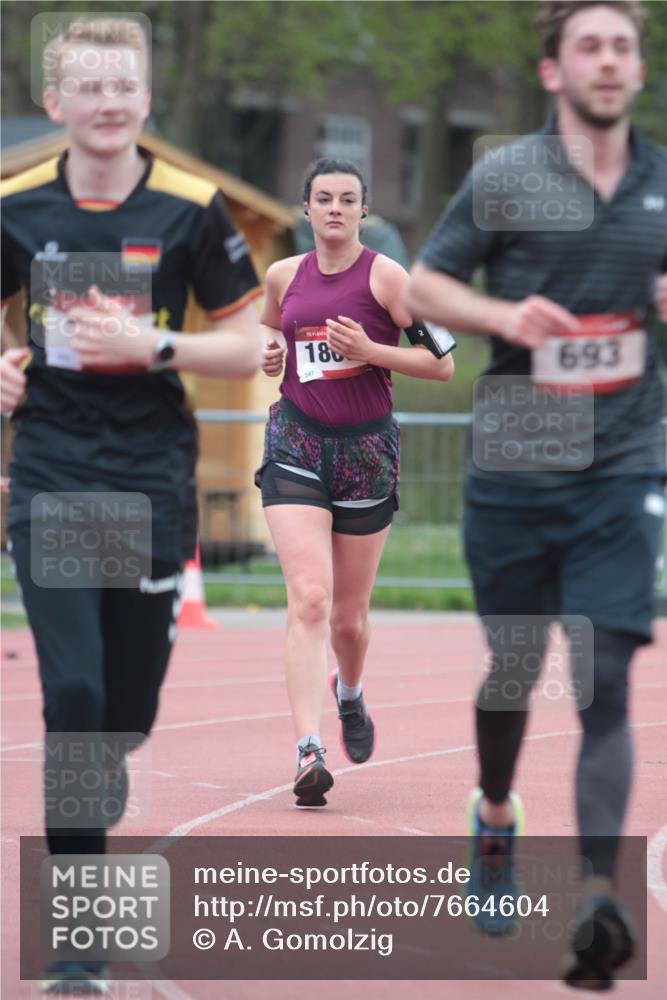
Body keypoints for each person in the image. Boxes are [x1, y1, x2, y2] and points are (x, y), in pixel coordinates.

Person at [408, 0, 666, 989]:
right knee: (511, 671)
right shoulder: (508, 175)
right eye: (588, 46)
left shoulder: (658, 184)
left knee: (603, 673)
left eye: (622, 46)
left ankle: (598, 896)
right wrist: (503, 312)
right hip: (516, 461)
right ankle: (496, 810)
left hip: (619, 462)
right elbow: (425, 289)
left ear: (637, 69)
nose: (608, 61)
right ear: (554, 72)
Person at [0, 16, 261, 993]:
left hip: (152, 478)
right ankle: (78, 947)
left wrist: (156, 348)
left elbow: (251, 345)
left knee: (124, 711)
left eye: (126, 86)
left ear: (146, 101)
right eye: (90, 86)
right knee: (71, 701)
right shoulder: (14, 208)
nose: (110, 102)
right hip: (56, 474)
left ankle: (111, 751)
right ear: (56, 103)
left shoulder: (195, 209)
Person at [256, 157, 455, 807]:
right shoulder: (282, 276)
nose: (335, 208)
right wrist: (268, 353)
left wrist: (371, 353)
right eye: (323, 198)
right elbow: (269, 334)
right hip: (295, 443)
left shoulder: (389, 278)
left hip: (365, 451)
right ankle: (307, 750)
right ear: (305, 209)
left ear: (362, 211)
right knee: (309, 597)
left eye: (347, 199)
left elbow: (442, 364)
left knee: (346, 619)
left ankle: (348, 693)